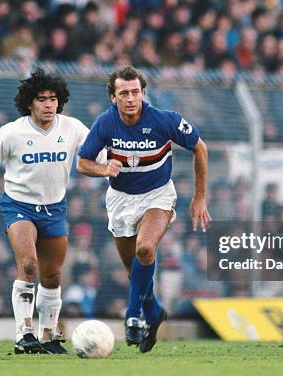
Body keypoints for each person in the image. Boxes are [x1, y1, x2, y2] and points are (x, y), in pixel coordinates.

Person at [0, 68, 96, 355]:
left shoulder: (72, 128)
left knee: (53, 276)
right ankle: (24, 333)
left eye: (53, 98)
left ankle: (47, 337)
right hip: (18, 205)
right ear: (29, 103)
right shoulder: (12, 132)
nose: (48, 104)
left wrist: (116, 168)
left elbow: (97, 151)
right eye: (41, 99)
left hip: (55, 208)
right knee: (29, 265)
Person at [77, 65, 211, 353]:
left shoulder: (164, 120)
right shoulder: (105, 123)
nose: (130, 98)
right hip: (120, 199)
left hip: (158, 196)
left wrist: (199, 197)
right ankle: (153, 312)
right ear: (113, 97)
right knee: (136, 272)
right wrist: (103, 169)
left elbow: (200, 148)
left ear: (143, 93)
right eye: (123, 93)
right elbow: (82, 162)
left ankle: (132, 315)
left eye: (135, 92)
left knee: (145, 249)